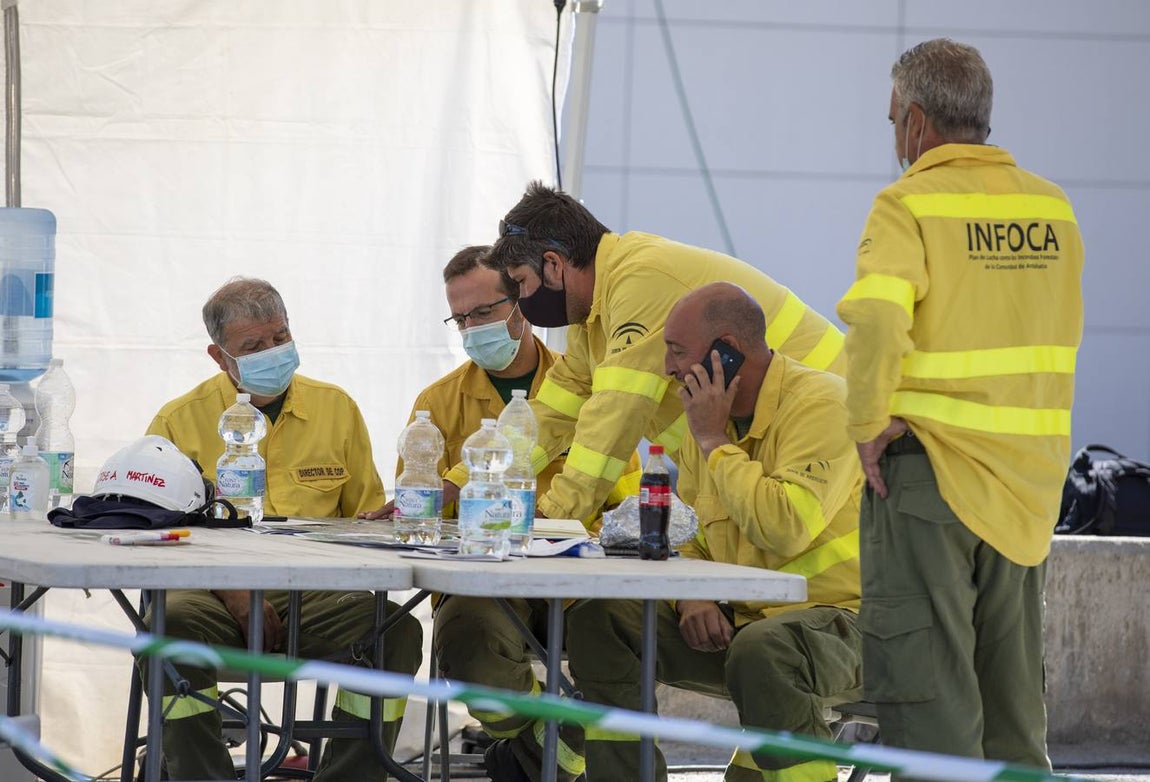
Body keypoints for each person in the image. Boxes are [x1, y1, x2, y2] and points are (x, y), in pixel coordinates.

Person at [837, 39, 1084, 766]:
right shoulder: (1052, 208)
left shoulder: (907, 204)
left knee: (930, 709)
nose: (895, 139)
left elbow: (878, 318)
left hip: (929, 478)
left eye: (893, 122)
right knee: (1014, 710)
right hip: (1028, 486)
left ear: (916, 123)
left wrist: (866, 424)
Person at [567, 283, 864, 782]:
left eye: (677, 351)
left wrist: (713, 440)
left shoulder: (824, 404)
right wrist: (692, 595)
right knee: (601, 619)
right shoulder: (707, 425)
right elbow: (689, 533)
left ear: (726, 350)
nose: (667, 367)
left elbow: (784, 526)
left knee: (764, 652)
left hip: (848, 624)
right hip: (747, 623)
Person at [370, 245, 639, 782]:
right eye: (460, 318)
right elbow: (419, 514)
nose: (472, 328)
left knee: (627, 640)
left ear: (521, 303)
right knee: (466, 639)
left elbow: (627, 507)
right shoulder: (436, 405)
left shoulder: (589, 389)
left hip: (579, 580)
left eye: (483, 312)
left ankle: (537, 762)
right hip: (483, 583)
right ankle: (556, 743)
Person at [144, 277, 423, 781]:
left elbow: (365, 521)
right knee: (168, 625)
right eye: (253, 346)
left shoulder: (336, 408)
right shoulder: (177, 421)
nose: (273, 352)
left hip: (315, 592)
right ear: (219, 356)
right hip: (210, 592)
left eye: (280, 337)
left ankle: (349, 777)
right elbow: (158, 536)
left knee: (394, 631)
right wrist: (233, 590)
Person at [465, 181, 845, 526]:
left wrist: (554, 516)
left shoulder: (640, 280)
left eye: (521, 282)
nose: (521, 299)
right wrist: (468, 479)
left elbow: (614, 417)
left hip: (819, 418)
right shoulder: (594, 314)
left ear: (553, 264)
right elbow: (552, 411)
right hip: (756, 442)